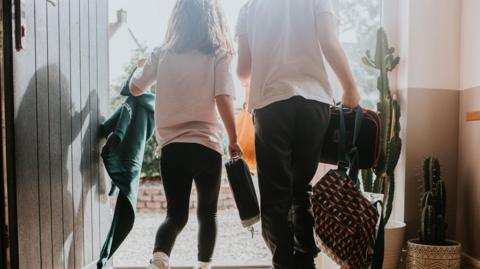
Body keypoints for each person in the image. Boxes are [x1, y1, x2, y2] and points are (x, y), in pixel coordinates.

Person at [236, 0, 360, 268]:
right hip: (314, 103)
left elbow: (243, 70)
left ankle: (283, 263)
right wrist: (350, 87)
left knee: (275, 196)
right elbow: (328, 41)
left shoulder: (249, 8)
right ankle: (305, 261)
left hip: (271, 104)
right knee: (300, 190)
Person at [129, 1, 241, 268]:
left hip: (173, 149)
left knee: (176, 216)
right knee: (208, 214)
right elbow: (223, 98)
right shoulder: (218, 53)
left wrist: (141, 65)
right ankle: (203, 266)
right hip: (207, 146)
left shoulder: (161, 53)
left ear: (177, 18)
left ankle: (160, 256)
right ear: (213, 19)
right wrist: (234, 139)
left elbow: (135, 88)